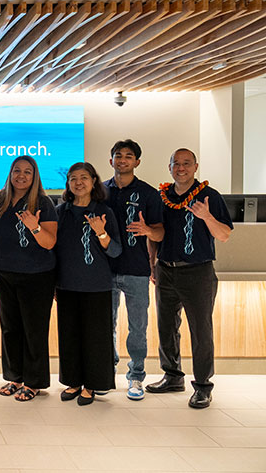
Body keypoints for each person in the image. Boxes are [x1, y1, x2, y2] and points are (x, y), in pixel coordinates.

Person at [145, 148, 233, 409]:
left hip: (198, 271)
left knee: (200, 330)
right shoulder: (162, 197)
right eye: (176, 163)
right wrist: (152, 264)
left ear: (195, 167)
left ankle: (203, 386)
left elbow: (224, 235)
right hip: (166, 269)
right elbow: (155, 234)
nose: (180, 168)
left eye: (186, 163)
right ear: (169, 167)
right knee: (166, 327)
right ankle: (172, 376)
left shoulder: (210, 196)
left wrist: (206, 216)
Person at [0, 156, 57, 402]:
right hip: (5, 272)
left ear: (34, 175)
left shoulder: (44, 203)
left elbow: (49, 242)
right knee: (10, 327)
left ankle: (34, 382)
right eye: (17, 171)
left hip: (37, 275)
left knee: (34, 330)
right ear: (10, 173)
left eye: (27, 172)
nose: (21, 176)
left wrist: (34, 227)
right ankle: (14, 377)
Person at [55, 162, 122, 406]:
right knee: (69, 336)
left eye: (84, 177)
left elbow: (115, 251)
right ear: (68, 184)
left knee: (96, 338)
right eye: (73, 178)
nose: (78, 182)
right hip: (66, 285)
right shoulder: (61, 211)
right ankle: (73, 382)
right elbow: (54, 250)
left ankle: (92, 385)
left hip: (97, 285)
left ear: (94, 181)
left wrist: (102, 233)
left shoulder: (104, 212)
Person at [103, 140, 164, 401]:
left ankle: (136, 376)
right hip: (104, 270)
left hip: (137, 270)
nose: (123, 160)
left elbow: (160, 232)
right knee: (107, 325)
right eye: (118, 155)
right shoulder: (100, 191)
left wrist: (148, 231)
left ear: (137, 162)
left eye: (129, 156)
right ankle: (106, 373)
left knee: (138, 327)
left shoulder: (149, 194)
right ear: (111, 161)